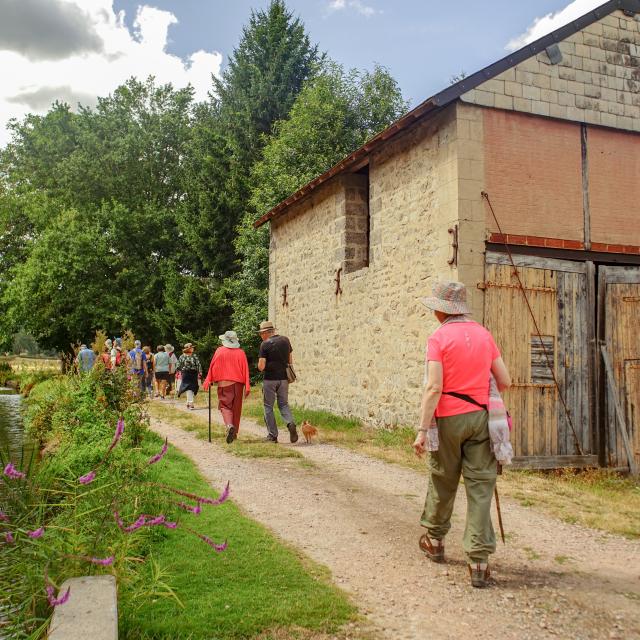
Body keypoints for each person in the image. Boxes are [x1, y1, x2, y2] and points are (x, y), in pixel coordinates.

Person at [412, 281, 511, 588]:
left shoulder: (438, 338)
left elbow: (434, 387)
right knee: (481, 487)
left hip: (448, 419)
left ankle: (436, 541)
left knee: (443, 478)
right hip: (483, 418)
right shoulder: (484, 334)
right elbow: (504, 380)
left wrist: (420, 430)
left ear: (441, 310)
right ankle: (479, 562)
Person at [203, 331, 251, 444]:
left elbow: (213, 365)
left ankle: (229, 425)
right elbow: (246, 369)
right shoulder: (241, 352)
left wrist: (209, 379)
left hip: (224, 383)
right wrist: (247, 385)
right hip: (239, 384)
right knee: (237, 409)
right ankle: (234, 434)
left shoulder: (219, 351)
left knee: (225, 406)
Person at [257, 321, 297, 444]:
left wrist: (259, 366)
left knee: (268, 406)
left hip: (270, 379)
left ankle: (272, 435)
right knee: (283, 404)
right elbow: (290, 360)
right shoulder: (285, 340)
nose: (260, 336)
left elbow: (261, 366)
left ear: (265, 333)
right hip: (284, 379)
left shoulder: (264, 345)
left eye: (261, 333)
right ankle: (290, 423)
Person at [176, 343, 202, 409]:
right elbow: (178, 365)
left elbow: (198, 364)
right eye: (192, 347)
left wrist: (200, 372)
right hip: (186, 373)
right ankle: (191, 403)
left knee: (193, 388)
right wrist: (178, 372)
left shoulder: (194, 356)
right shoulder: (182, 356)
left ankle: (188, 402)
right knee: (189, 387)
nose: (193, 348)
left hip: (194, 373)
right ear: (188, 349)